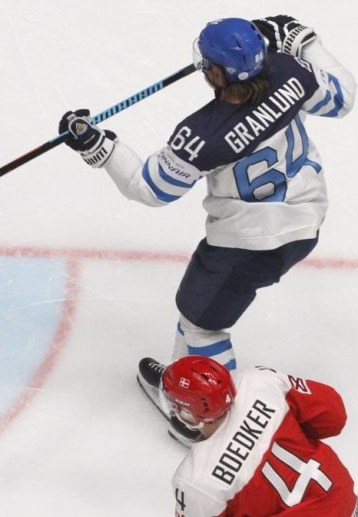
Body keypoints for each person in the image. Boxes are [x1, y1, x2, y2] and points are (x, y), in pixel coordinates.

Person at [58, 15, 355, 373]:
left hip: (244, 245)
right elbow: (342, 98)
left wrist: (98, 146)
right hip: (306, 224)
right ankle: (184, 379)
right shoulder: (293, 72)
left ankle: (205, 402)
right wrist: (302, 41)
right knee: (195, 318)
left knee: (201, 327)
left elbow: (149, 189)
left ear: (217, 74)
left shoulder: (201, 137)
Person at [152, 355, 357, 516]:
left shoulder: (193, 482)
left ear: (187, 412)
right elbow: (333, 416)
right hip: (343, 495)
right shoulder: (258, 381)